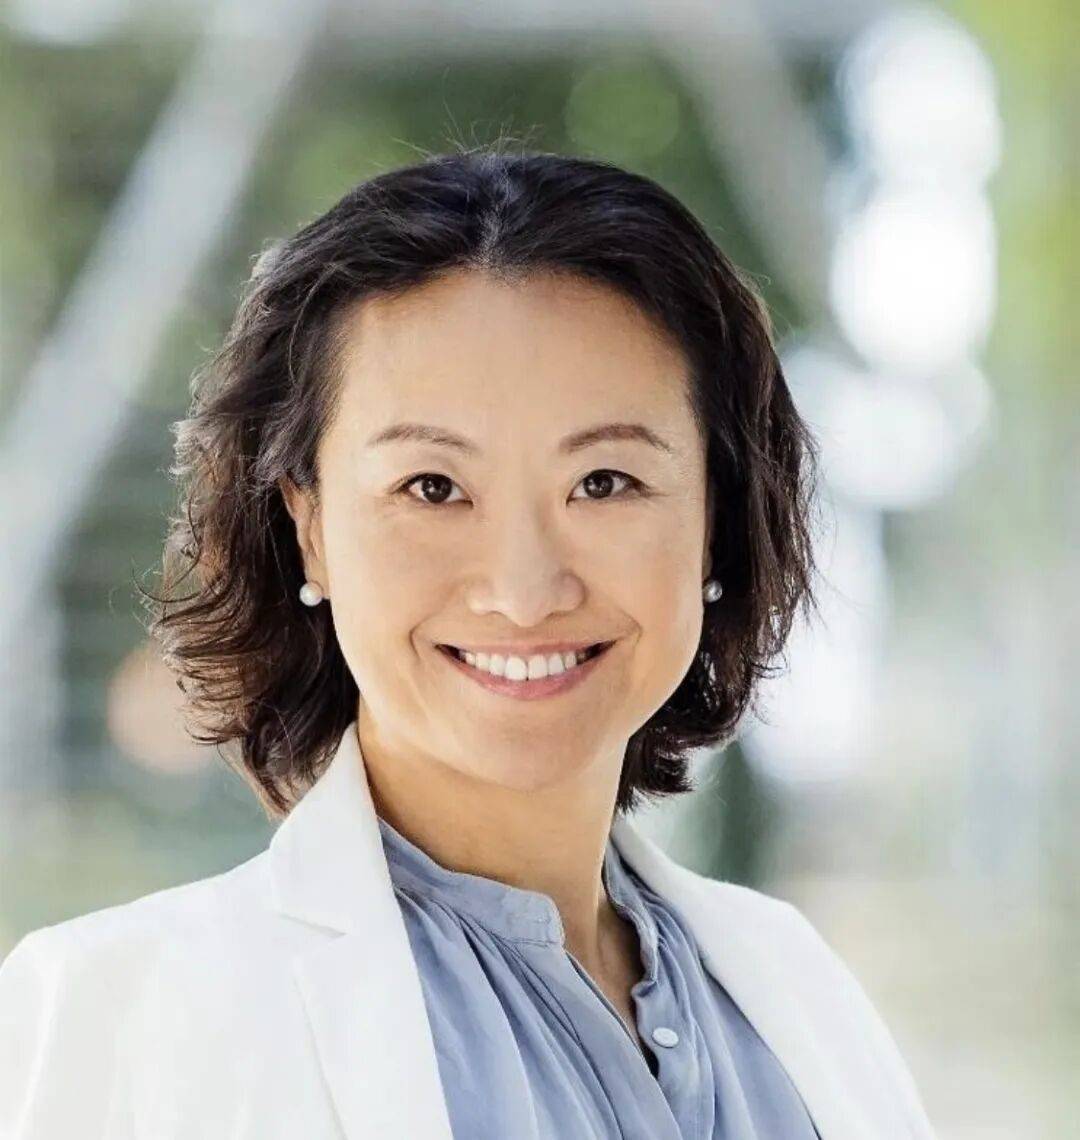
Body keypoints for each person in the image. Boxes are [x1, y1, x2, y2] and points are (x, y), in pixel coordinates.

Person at [0, 145, 936, 1138]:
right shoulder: (123, 1018)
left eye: (604, 483)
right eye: (433, 488)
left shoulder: (799, 992)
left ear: (716, 515)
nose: (523, 593)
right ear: (310, 529)